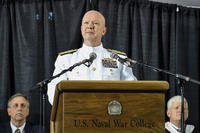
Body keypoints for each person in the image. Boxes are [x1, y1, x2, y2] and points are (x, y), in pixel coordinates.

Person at [47, 10, 137, 105]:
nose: (90, 26)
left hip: (111, 114)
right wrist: (71, 106)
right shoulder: (66, 59)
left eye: (96, 23)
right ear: (81, 29)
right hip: (77, 114)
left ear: (103, 30)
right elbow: (54, 90)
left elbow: (132, 88)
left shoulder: (119, 58)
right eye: (86, 23)